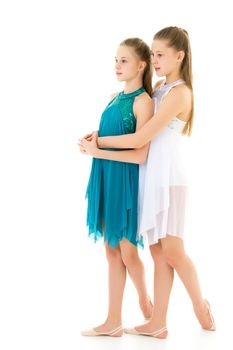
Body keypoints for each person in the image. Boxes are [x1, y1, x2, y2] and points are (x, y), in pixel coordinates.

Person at [80, 27, 216, 339]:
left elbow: (142, 139)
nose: (153, 59)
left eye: (159, 54)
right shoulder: (158, 91)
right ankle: (158, 321)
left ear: (179, 56)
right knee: (158, 254)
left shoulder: (180, 92)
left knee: (174, 253)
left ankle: (200, 304)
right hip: (152, 180)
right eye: (152, 54)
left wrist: (99, 143)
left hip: (169, 181)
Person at [80, 38, 154, 337]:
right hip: (105, 174)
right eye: (115, 60)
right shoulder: (114, 96)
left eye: (124, 60)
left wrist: (98, 150)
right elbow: (112, 133)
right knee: (110, 251)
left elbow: (140, 153)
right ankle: (113, 320)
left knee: (126, 250)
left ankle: (145, 302)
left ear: (141, 64)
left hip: (124, 180)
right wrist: (94, 138)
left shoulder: (143, 102)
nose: (117, 66)